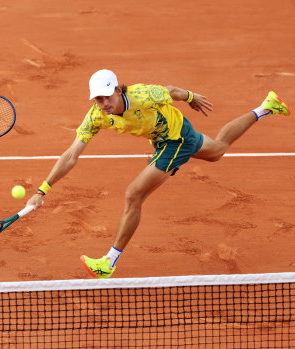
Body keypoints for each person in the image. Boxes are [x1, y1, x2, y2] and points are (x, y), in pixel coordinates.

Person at [26, 69, 291, 279]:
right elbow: (72, 154)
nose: (103, 103)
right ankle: (266, 107)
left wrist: (191, 97)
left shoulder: (143, 95)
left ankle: (109, 261)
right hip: (168, 138)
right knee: (218, 149)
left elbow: (172, 91)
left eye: (107, 96)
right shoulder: (96, 117)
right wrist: (42, 190)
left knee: (133, 194)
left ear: (118, 90)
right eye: (98, 98)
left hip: (175, 140)